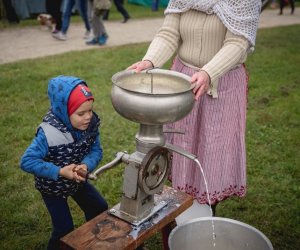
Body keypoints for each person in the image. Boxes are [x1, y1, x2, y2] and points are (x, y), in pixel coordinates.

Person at [128, 0, 262, 216]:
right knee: (182, 142)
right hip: (183, 81)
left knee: (212, 149)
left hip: (221, 84)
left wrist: (209, 72)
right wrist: (150, 61)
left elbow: (237, 43)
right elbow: (169, 34)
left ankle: (205, 213)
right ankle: (177, 208)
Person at [20, 76, 108, 249]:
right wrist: (60, 171)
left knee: (99, 208)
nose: (88, 117)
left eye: (90, 110)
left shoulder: (89, 126)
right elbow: (27, 161)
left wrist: (86, 165)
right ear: (63, 112)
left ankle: (93, 241)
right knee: (64, 229)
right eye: (81, 113)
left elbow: (96, 150)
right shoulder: (48, 134)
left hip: (77, 181)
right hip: (52, 188)